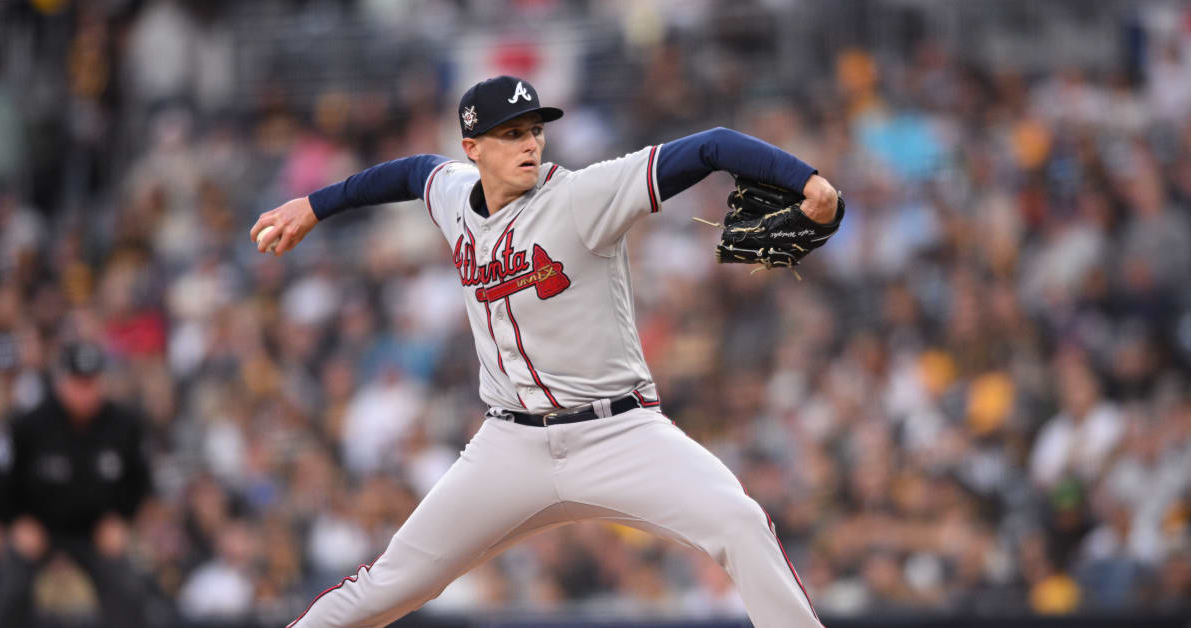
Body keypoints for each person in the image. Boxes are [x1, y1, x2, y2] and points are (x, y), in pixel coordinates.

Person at [254, 76, 838, 628]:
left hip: (619, 434)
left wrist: (807, 181)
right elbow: (410, 173)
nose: (530, 144)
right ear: (472, 149)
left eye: (535, 130)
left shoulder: (584, 196)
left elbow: (713, 146)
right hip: (510, 446)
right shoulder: (453, 194)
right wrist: (315, 205)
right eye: (511, 134)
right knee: (387, 586)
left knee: (740, 523)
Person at [0, 341, 155, 627]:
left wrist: (121, 519)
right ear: (61, 381)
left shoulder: (125, 425)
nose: (85, 392)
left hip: (96, 531)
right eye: (78, 383)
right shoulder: (28, 425)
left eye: (92, 383)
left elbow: (140, 481)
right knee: (10, 588)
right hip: (40, 529)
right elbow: (2, 481)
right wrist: (15, 521)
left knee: (129, 590)